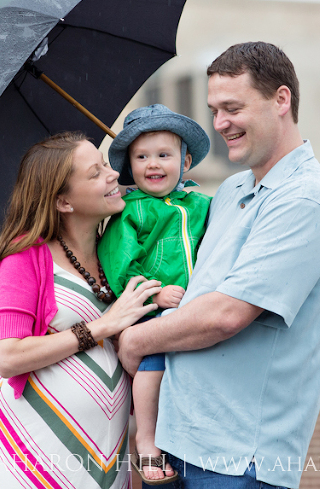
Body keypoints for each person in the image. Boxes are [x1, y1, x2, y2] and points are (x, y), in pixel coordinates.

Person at [117, 42, 320, 489]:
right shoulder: (229, 192)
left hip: (239, 462)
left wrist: (135, 340)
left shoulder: (307, 199)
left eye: (232, 108)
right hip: (178, 446)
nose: (219, 123)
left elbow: (225, 315)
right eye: (214, 109)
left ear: (281, 100)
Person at [0, 132, 162, 489]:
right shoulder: (24, 257)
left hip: (106, 458)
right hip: (30, 461)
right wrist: (102, 326)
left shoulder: (117, 255)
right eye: (94, 173)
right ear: (63, 202)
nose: (111, 175)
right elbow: (8, 355)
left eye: (106, 164)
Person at [97, 104, 211, 484]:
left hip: (196, 307)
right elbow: (119, 269)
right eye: (141, 157)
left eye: (164, 155)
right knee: (154, 359)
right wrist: (155, 296)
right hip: (154, 309)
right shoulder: (131, 212)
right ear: (129, 166)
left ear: (186, 159)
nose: (153, 164)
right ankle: (145, 439)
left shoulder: (199, 205)